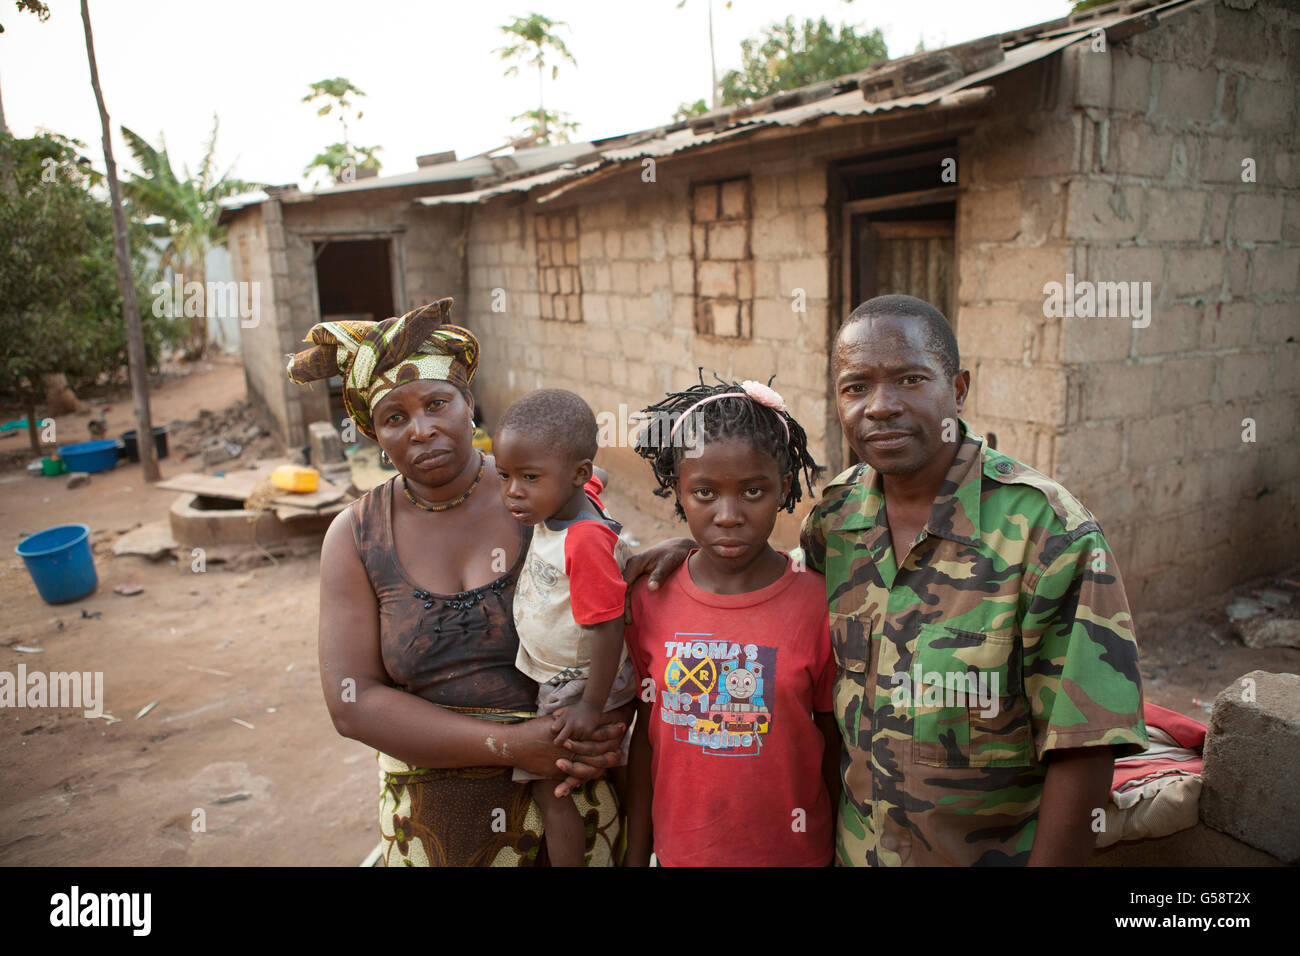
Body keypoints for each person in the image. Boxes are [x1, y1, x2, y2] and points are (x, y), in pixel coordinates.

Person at [801, 294, 1149, 866]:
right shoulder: (837, 519)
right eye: (856, 386)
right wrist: (686, 557)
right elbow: (782, 603)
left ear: (958, 389)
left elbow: (1085, 749)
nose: (880, 407)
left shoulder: (1050, 535)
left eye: (910, 380)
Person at [287, 299, 630, 866]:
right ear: (374, 434)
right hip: (431, 822)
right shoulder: (355, 537)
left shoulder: (545, 498)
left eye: (437, 403)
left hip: (571, 803)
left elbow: (610, 620)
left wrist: (603, 725)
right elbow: (353, 704)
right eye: (394, 418)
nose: (421, 430)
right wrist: (511, 746)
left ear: (469, 402)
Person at [622, 375, 840, 867]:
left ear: (785, 487)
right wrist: (637, 856)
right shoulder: (650, 598)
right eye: (703, 492)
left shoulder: (817, 604)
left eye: (753, 491)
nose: (728, 515)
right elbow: (646, 741)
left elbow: (831, 748)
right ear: (676, 489)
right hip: (682, 854)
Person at [492, 388, 637, 867]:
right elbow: (596, 484)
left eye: (529, 477)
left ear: (577, 474)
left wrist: (591, 706)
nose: (513, 490)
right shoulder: (562, 503)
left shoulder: (583, 540)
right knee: (601, 766)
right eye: (504, 476)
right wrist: (586, 481)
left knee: (548, 784)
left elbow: (608, 627)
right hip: (570, 674)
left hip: (577, 681)